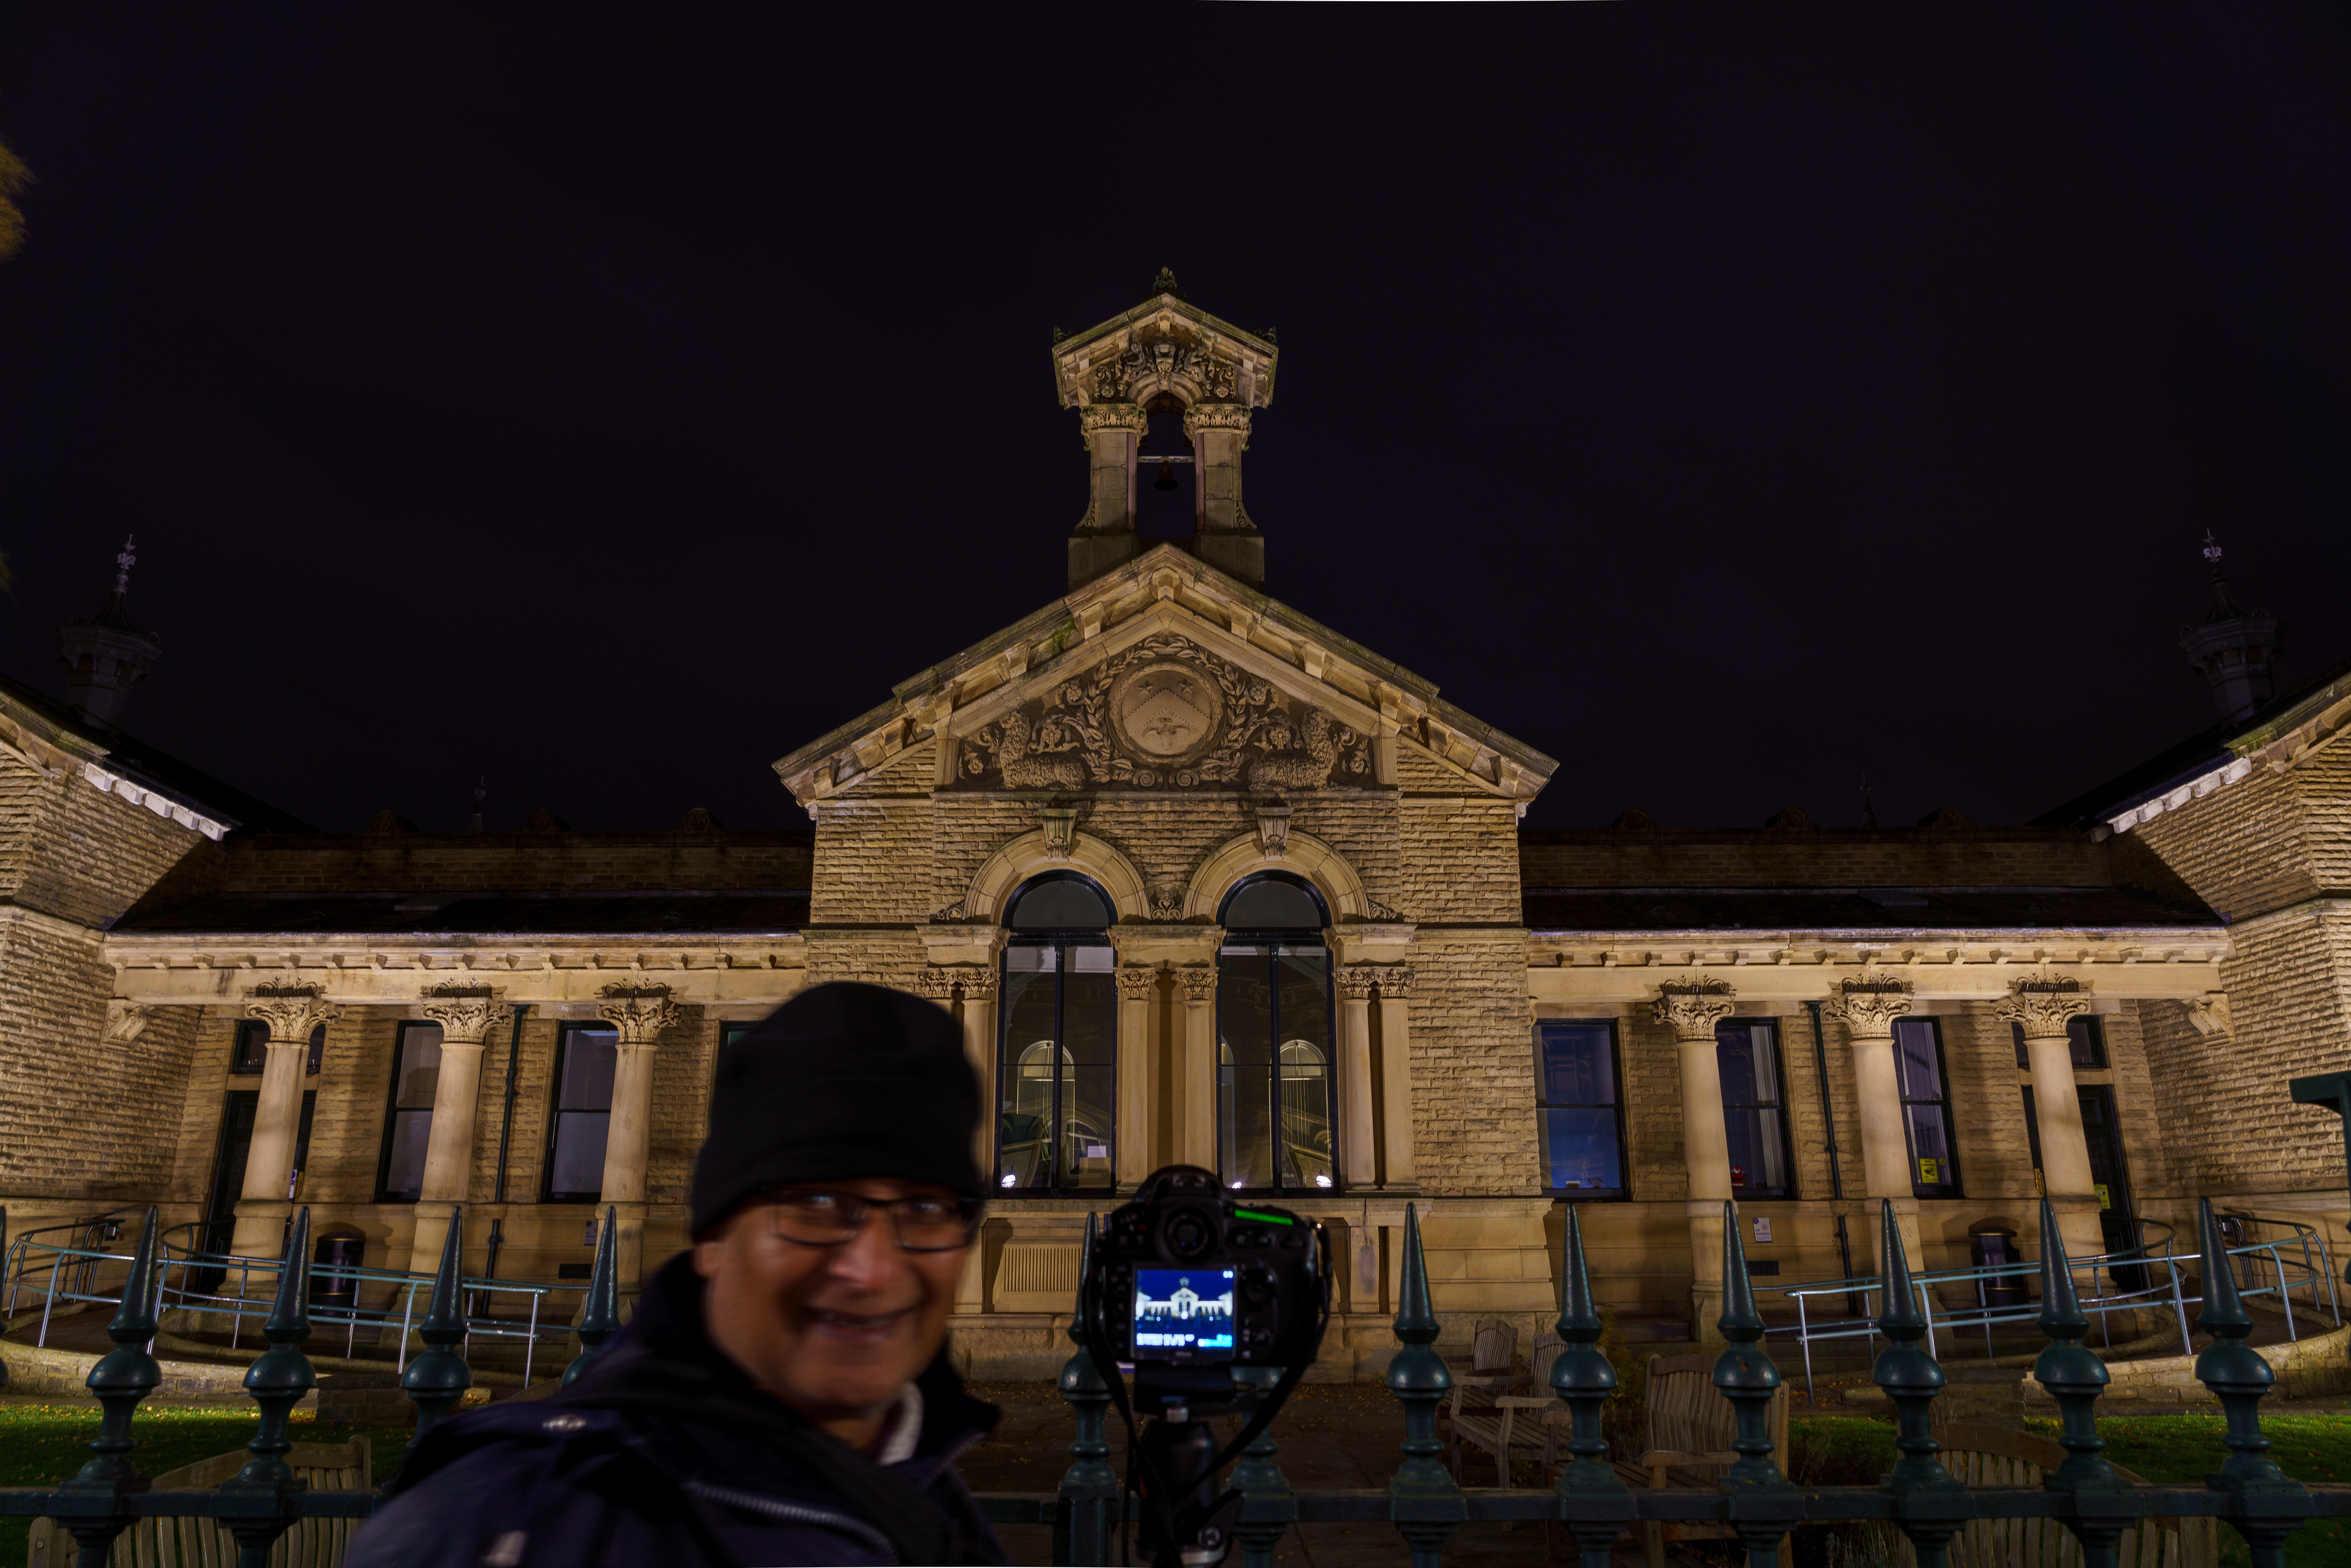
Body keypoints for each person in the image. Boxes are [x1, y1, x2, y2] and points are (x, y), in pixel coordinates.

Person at [348, 981, 1004, 1567]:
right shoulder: (511, 1512)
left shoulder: (930, 1492)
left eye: (926, 1208)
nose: (873, 1268)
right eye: (817, 1204)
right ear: (715, 1236)